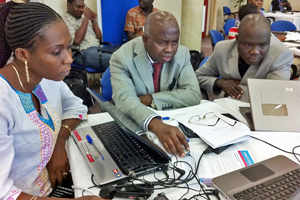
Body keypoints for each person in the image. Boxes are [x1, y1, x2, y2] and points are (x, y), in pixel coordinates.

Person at [0, 2, 109, 200]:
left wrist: (59, 144)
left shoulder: (46, 78)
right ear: (22, 54)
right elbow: (4, 194)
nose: (69, 59)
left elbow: (76, 106)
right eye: (57, 52)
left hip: (58, 185)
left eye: (68, 47)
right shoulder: (3, 101)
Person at [111, 11, 201, 157]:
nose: (170, 49)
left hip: (176, 122)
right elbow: (124, 100)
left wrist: (150, 99)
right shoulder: (122, 58)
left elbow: (193, 94)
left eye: (175, 41)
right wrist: (156, 125)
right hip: (141, 128)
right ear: (145, 39)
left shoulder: (182, 54)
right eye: (162, 42)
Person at [195, 14, 293, 103]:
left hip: (260, 113)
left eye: (263, 45)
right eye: (248, 44)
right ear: (237, 40)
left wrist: (227, 93)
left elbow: (274, 94)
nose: (255, 51)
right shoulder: (222, 49)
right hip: (225, 111)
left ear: (269, 41)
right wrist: (219, 82)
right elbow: (198, 77)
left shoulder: (281, 55)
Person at [63, 0, 108, 72]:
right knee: (116, 60)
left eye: (83, 7)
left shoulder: (83, 19)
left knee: (122, 55)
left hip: (98, 49)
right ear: (69, 5)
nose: (81, 10)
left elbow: (100, 39)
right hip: (81, 53)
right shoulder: (64, 21)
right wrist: (86, 19)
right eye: (78, 7)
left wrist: (94, 21)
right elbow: (76, 41)